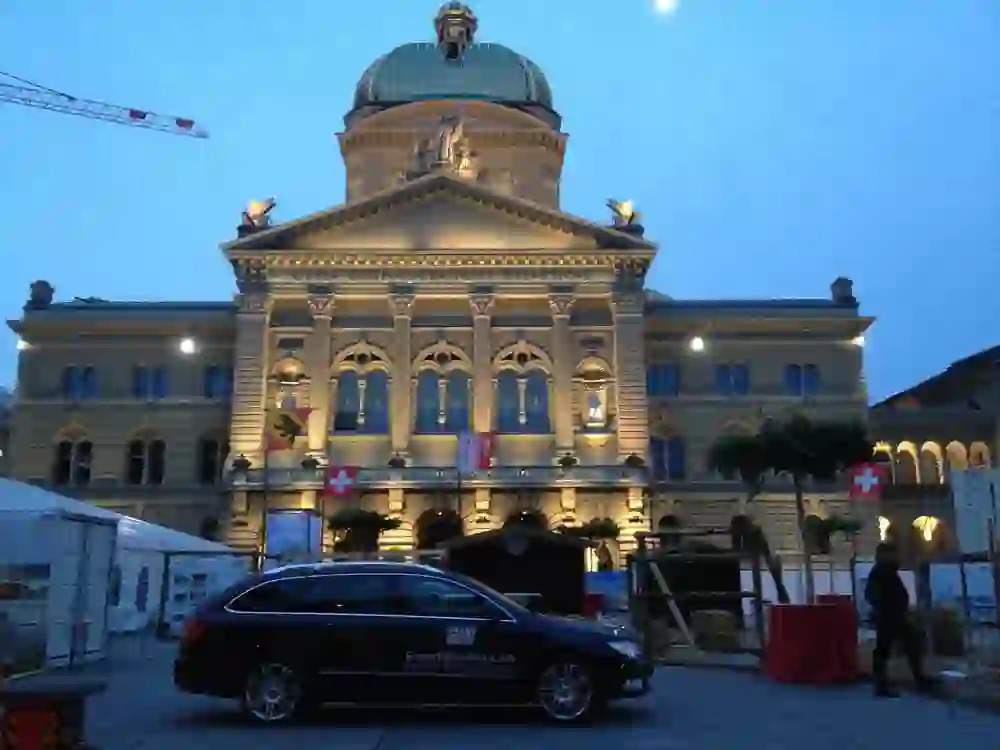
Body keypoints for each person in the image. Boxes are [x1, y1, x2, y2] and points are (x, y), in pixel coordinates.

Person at [864, 542, 933, 697]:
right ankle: (882, 684)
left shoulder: (888, 570)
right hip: (888, 616)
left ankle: (917, 678)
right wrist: (884, 607)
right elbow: (872, 594)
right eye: (892, 553)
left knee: (910, 644)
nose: (897, 556)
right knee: (885, 649)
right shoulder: (880, 571)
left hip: (895, 615)